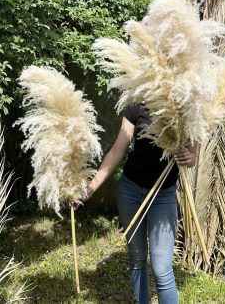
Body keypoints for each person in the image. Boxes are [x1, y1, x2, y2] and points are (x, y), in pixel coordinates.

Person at [79, 103, 197, 304]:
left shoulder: (189, 108)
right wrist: (89, 189)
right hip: (130, 191)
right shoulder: (136, 108)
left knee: (161, 269)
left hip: (163, 196)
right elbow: (116, 152)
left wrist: (189, 157)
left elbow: (194, 157)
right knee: (137, 257)